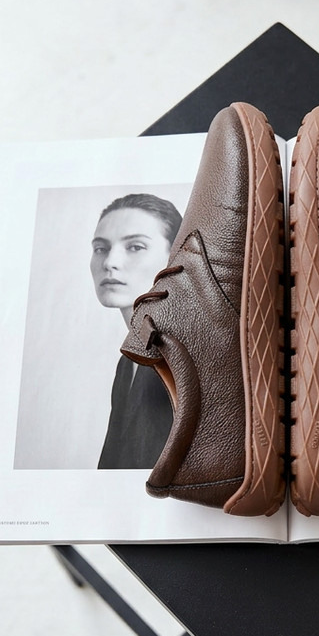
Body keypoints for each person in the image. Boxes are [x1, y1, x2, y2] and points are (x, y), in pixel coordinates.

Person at [89, 193, 182, 469]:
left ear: (174, 257)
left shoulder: (181, 355)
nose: (110, 262)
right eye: (100, 248)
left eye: (135, 246)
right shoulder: (128, 360)